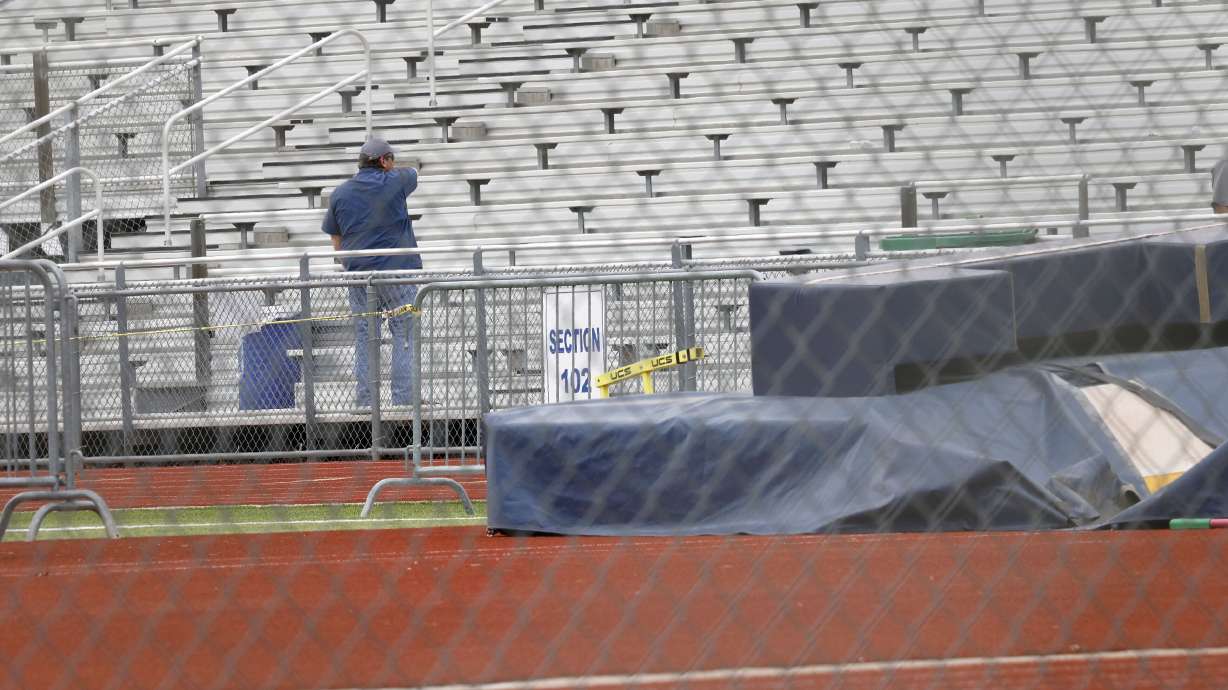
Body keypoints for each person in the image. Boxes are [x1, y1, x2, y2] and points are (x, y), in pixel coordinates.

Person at [322, 137, 421, 407]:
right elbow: (414, 173)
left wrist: (350, 265)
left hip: (359, 275)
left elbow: (336, 240)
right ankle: (405, 400)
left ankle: (367, 402)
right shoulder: (397, 180)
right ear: (383, 161)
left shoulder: (340, 193)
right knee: (404, 335)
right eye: (392, 159)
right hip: (397, 272)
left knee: (366, 338)